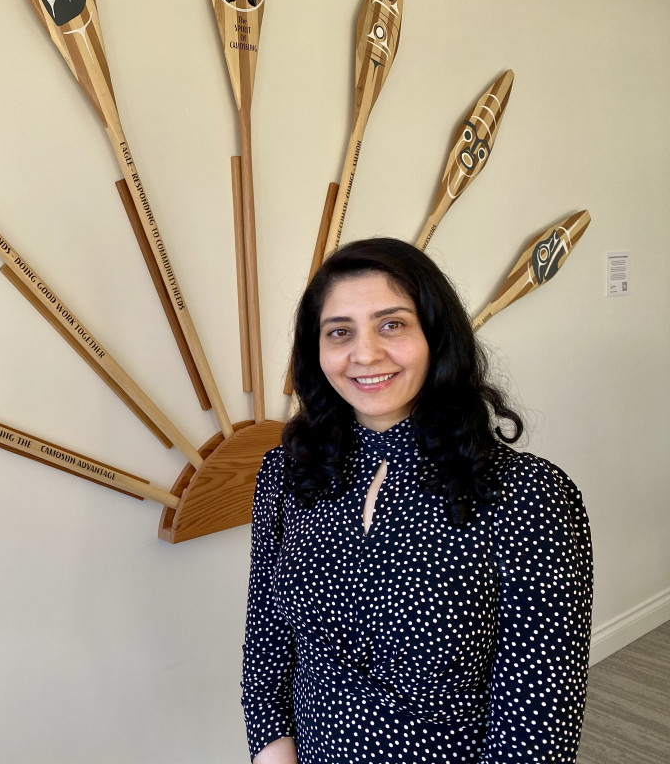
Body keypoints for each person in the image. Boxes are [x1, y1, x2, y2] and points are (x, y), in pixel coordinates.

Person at [241, 238, 593, 763]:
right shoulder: (286, 474)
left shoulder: (528, 495)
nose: (365, 354)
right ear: (316, 352)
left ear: (435, 334)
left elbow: (535, 727)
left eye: (392, 324)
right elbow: (266, 643)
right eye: (340, 332)